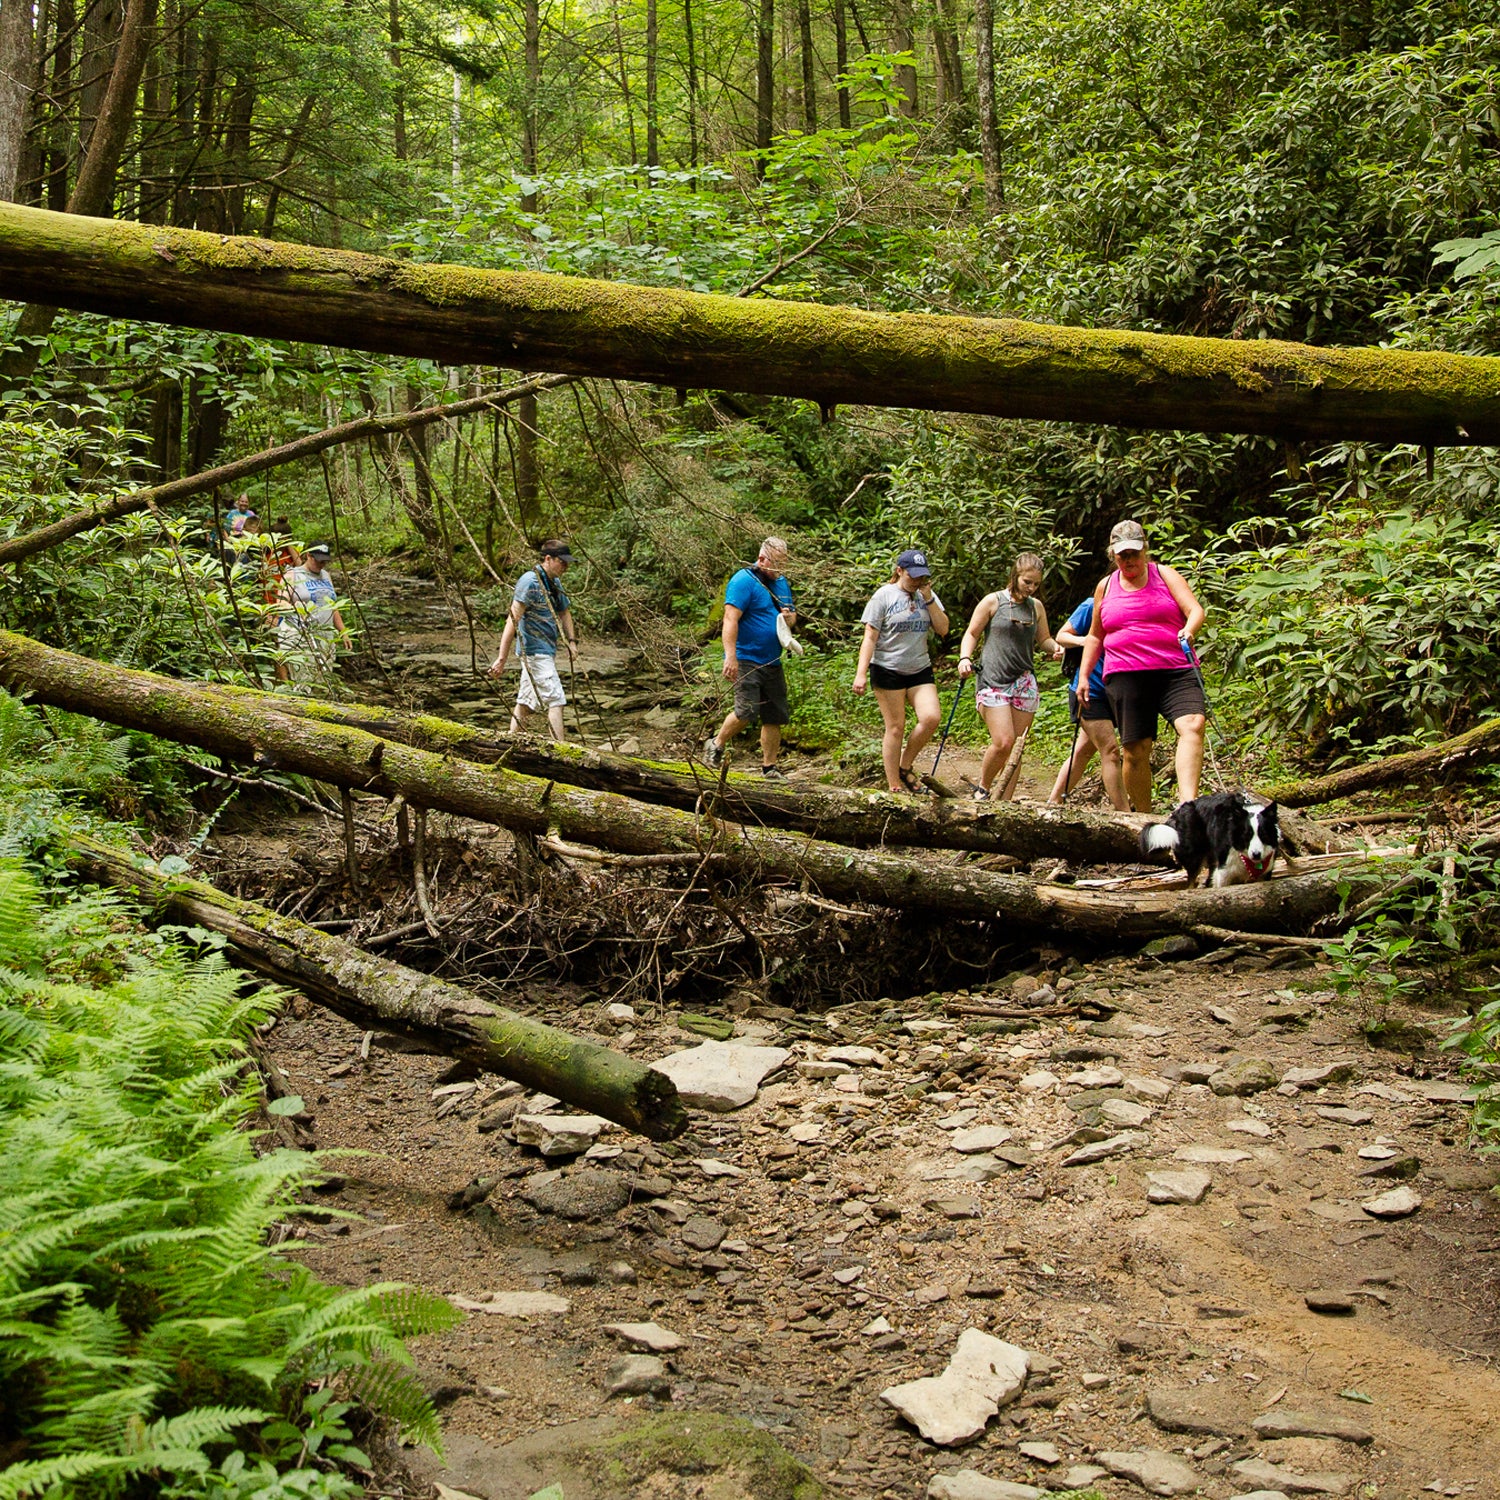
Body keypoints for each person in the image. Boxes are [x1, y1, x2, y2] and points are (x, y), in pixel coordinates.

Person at [1076, 519, 1207, 812]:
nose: (1128, 560)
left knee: (1193, 724)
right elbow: (1096, 635)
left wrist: (1190, 628)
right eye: (1122, 555)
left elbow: (1195, 609)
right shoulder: (1105, 586)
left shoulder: (1164, 575)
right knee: (1136, 750)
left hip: (1175, 668)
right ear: (1113, 555)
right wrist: (1084, 676)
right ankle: (1145, 819)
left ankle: (1188, 807)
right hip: (1126, 673)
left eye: (1134, 553)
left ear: (1145, 550)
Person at [957, 553, 1065, 801]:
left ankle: (1004, 803)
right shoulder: (992, 602)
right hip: (992, 680)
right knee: (1004, 741)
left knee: (1016, 748)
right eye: (1027, 582)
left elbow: (1044, 639)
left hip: (1024, 682)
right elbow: (972, 633)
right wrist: (965, 658)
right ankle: (983, 788)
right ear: (1015, 577)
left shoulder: (1036, 607)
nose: (1032, 588)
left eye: (1036, 584)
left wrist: (1056, 648)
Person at [853, 549, 950, 794]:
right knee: (895, 727)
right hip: (887, 668)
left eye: (922, 577)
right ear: (899, 571)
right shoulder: (883, 596)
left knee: (931, 718)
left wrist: (928, 599)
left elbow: (943, 629)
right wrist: (861, 673)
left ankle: (905, 766)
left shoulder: (926, 595)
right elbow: (870, 637)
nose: (917, 582)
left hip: (919, 667)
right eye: (913, 576)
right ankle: (894, 784)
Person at [701, 537, 797, 778]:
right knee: (746, 712)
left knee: (774, 715)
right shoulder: (743, 581)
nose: (779, 570)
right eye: (776, 564)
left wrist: (788, 618)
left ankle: (769, 767)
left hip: (772, 660)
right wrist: (730, 657)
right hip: (746, 658)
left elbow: (793, 618)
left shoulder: (782, 582)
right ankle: (716, 744)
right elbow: (730, 620)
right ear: (762, 559)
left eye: (783, 565)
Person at [487, 540, 579, 740]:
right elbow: (512, 620)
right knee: (556, 699)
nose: (566, 566)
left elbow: (564, 612)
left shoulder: (554, 582)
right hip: (534, 651)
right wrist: (501, 658)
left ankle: (510, 741)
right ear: (548, 559)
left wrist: (571, 641)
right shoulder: (529, 582)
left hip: (547, 649)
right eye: (562, 562)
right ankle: (561, 750)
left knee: (526, 703)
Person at [1046, 594, 1128, 810]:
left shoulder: (1136, 608)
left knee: (1084, 749)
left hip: (1119, 690)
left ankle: (1053, 802)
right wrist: (1085, 640)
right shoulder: (1093, 605)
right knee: (1110, 750)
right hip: (1089, 688)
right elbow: (1062, 635)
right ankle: (1125, 813)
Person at [275, 543, 349, 684]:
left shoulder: (326, 576)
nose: (321, 564)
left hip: (325, 637)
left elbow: (332, 606)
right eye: (318, 560)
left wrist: (343, 631)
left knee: (322, 679)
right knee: (304, 678)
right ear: (308, 556)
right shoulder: (293, 575)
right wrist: (296, 609)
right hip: (299, 634)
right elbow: (280, 603)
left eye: (324, 561)